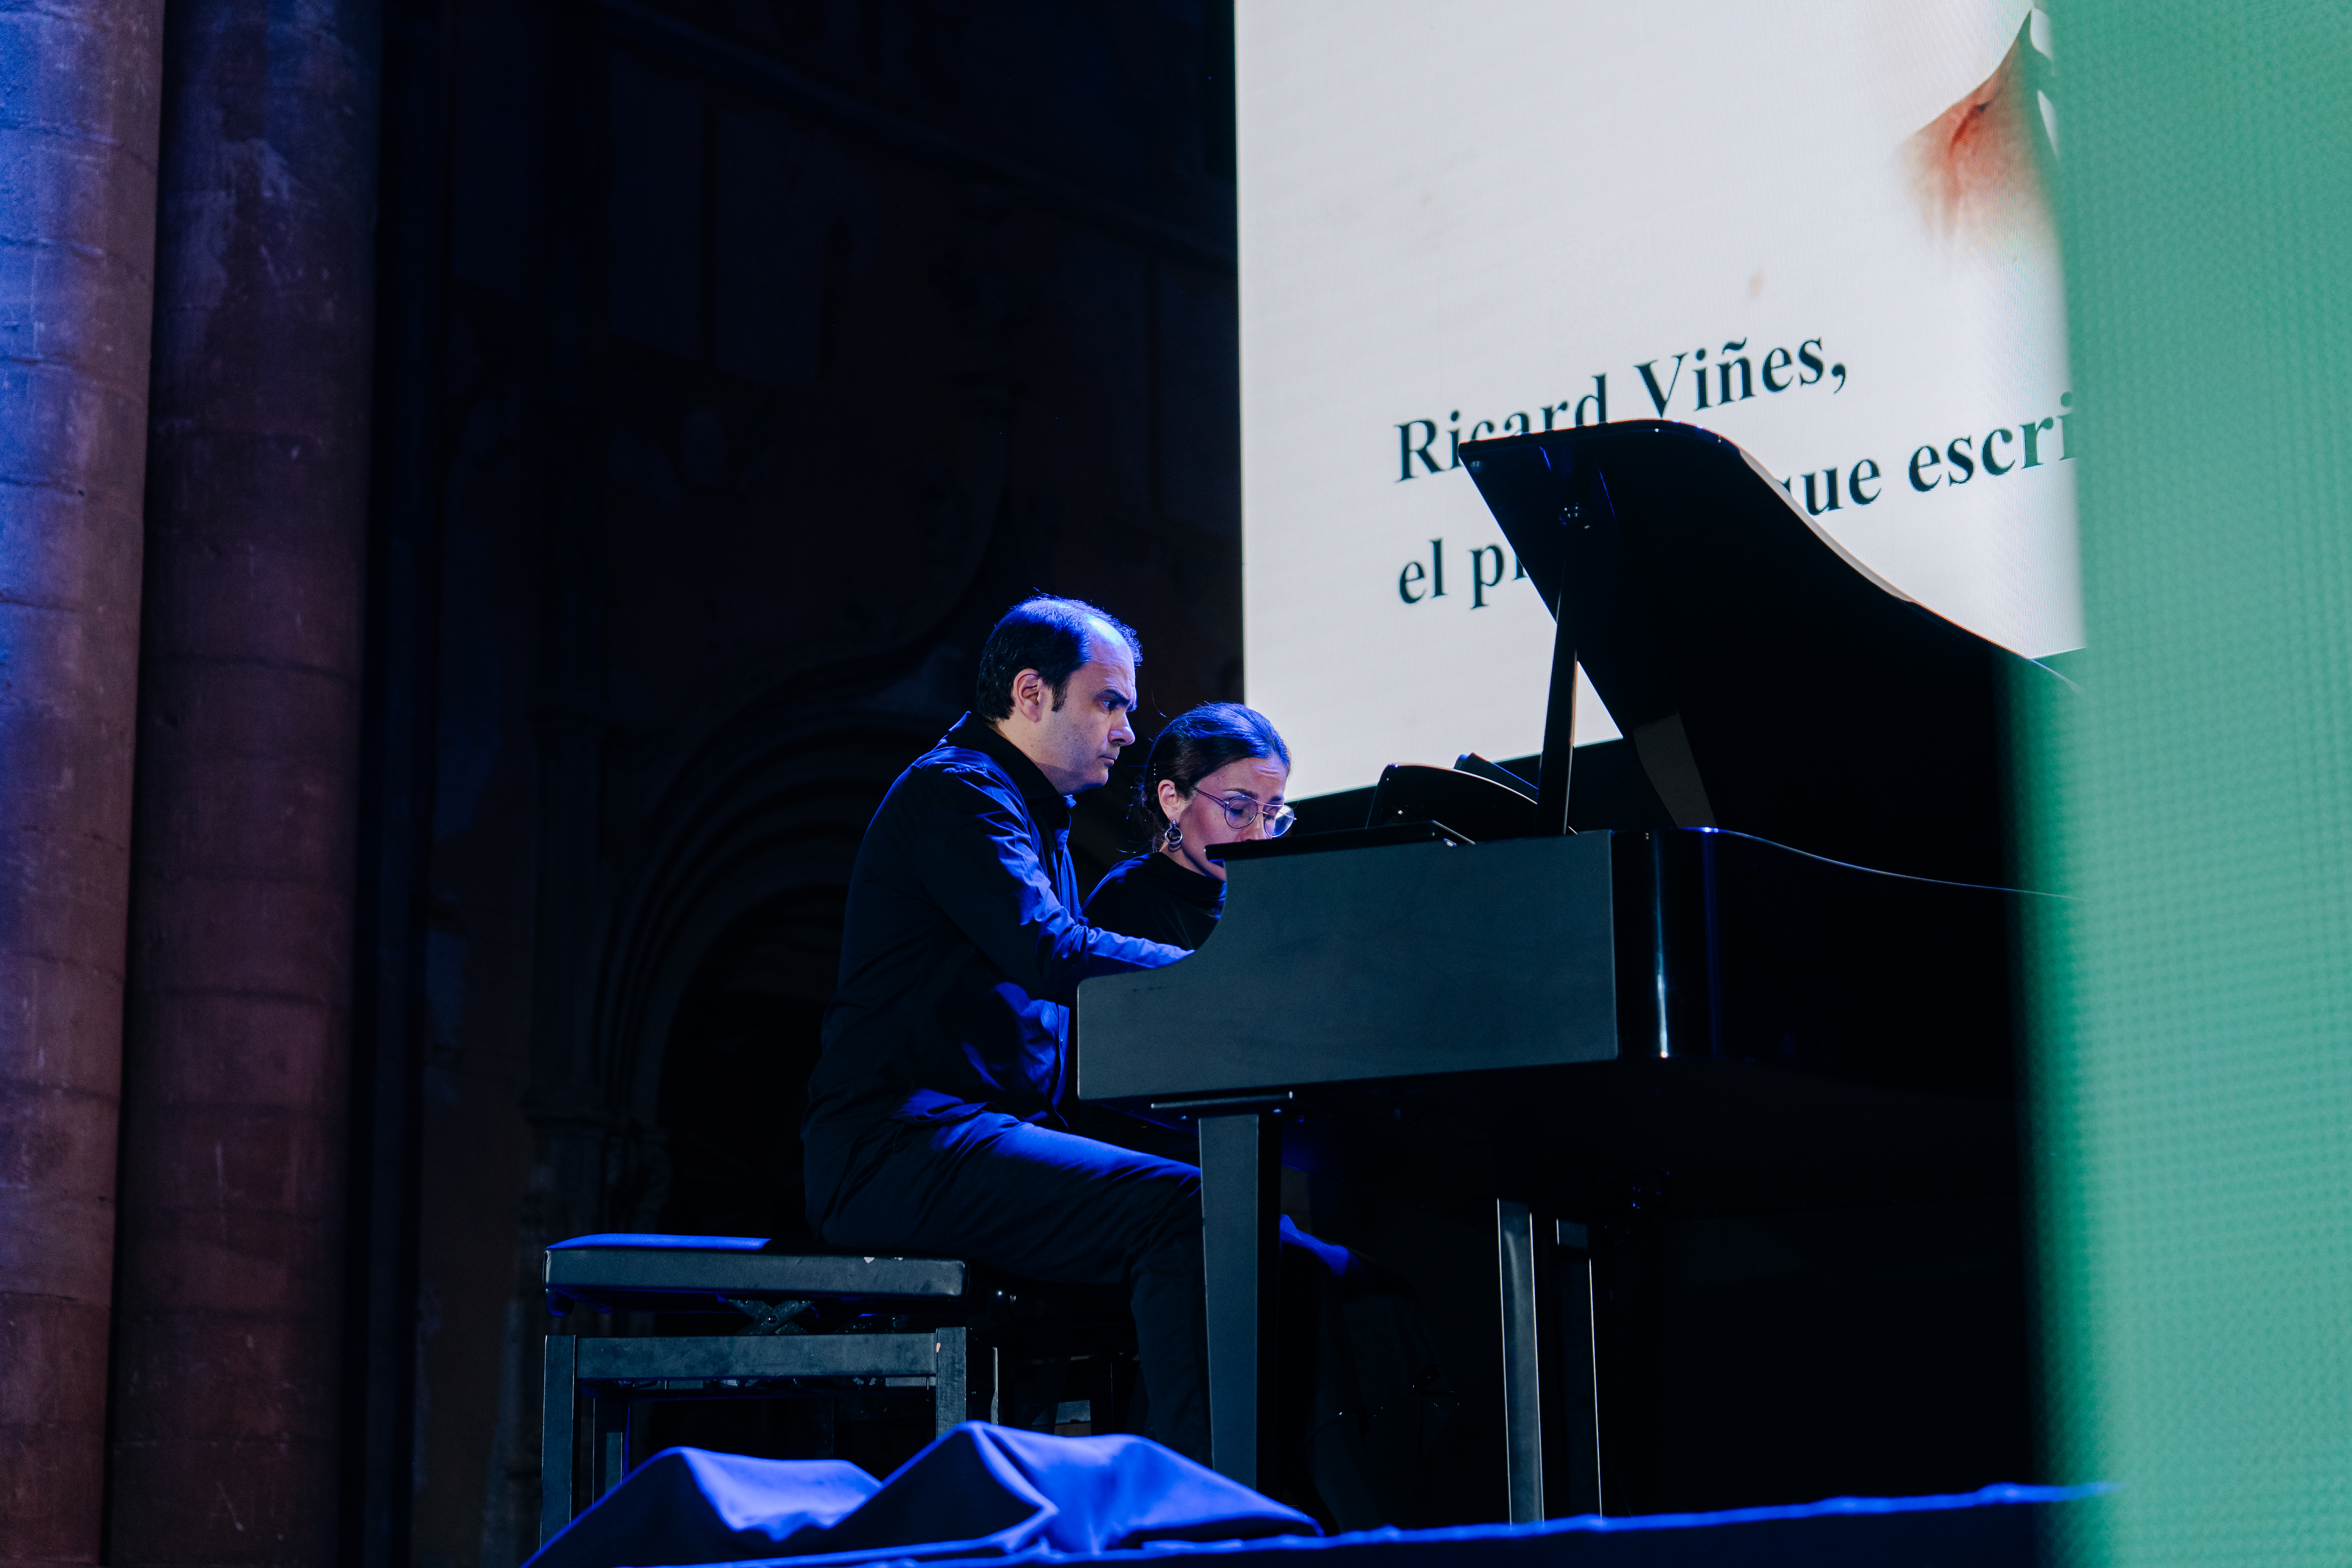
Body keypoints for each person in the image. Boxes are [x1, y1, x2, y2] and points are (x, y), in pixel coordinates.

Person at [799, 597, 1213, 1459]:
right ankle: (1189, 1522)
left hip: (962, 1136)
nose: (1130, 732)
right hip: (893, 1146)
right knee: (1187, 1214)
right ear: (1032, 692)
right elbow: (1048, 948)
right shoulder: (957, 790)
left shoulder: (1035, 814)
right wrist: (1214, 974)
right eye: (1111, 702)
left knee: (1244, 1222)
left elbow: (1051, 1037)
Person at [1085, 703, 1294, 950]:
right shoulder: (1128, 900)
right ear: (1172, 799)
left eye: (1270, 815)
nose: (1259, 837)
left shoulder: (1261, 906)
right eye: (1238, 809)